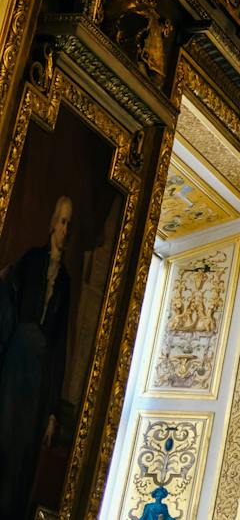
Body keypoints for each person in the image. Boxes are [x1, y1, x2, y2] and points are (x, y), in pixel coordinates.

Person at [0, 196, 75, 506]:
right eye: (62, 221)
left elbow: (59, 348)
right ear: (52, 223)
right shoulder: (31, 261)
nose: (65, 230)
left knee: (23, 451)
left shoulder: (65, 283)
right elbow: (8, 298)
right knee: (4, 436)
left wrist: (53, 412)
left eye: (69, 224)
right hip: (15, 364)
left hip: (38, 377)